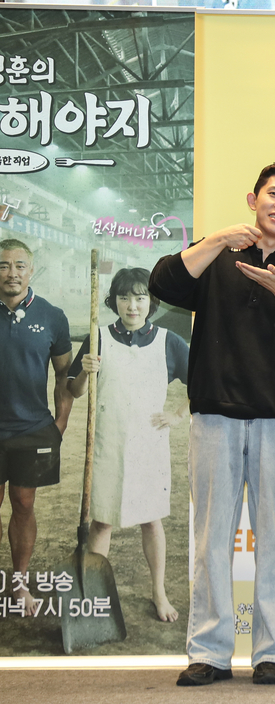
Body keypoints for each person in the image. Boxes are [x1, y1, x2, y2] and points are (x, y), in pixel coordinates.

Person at [150, 162, 275, 686]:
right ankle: (208, 651)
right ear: (253, 200)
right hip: (214, 416)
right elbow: (162, 283)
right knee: (211, 538)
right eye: (273, 194)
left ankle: (272, 652)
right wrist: (214, 240)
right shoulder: (218, 255)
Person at [67, 267, 190, 623]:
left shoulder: (168, 341)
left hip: (149, 445)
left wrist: (177, 415)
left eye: (139, 298)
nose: (132, 306)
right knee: (102, 522)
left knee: (151, 520)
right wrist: (85, 371)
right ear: (114, 301)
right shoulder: (98, 337)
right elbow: (73, 390)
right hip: (108, 443)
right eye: (124, 298)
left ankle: (158, 591)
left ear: (151, 302)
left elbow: (203, 383)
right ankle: (93, 594)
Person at [0, 238, 73, 615]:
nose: (11, 273)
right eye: (3, 265)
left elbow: (64, 376)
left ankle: (19, 583)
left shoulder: (52, 316)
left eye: (19, 266)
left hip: (31, 430)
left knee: (24, 503)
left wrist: (60, 424)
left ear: (31, 270)